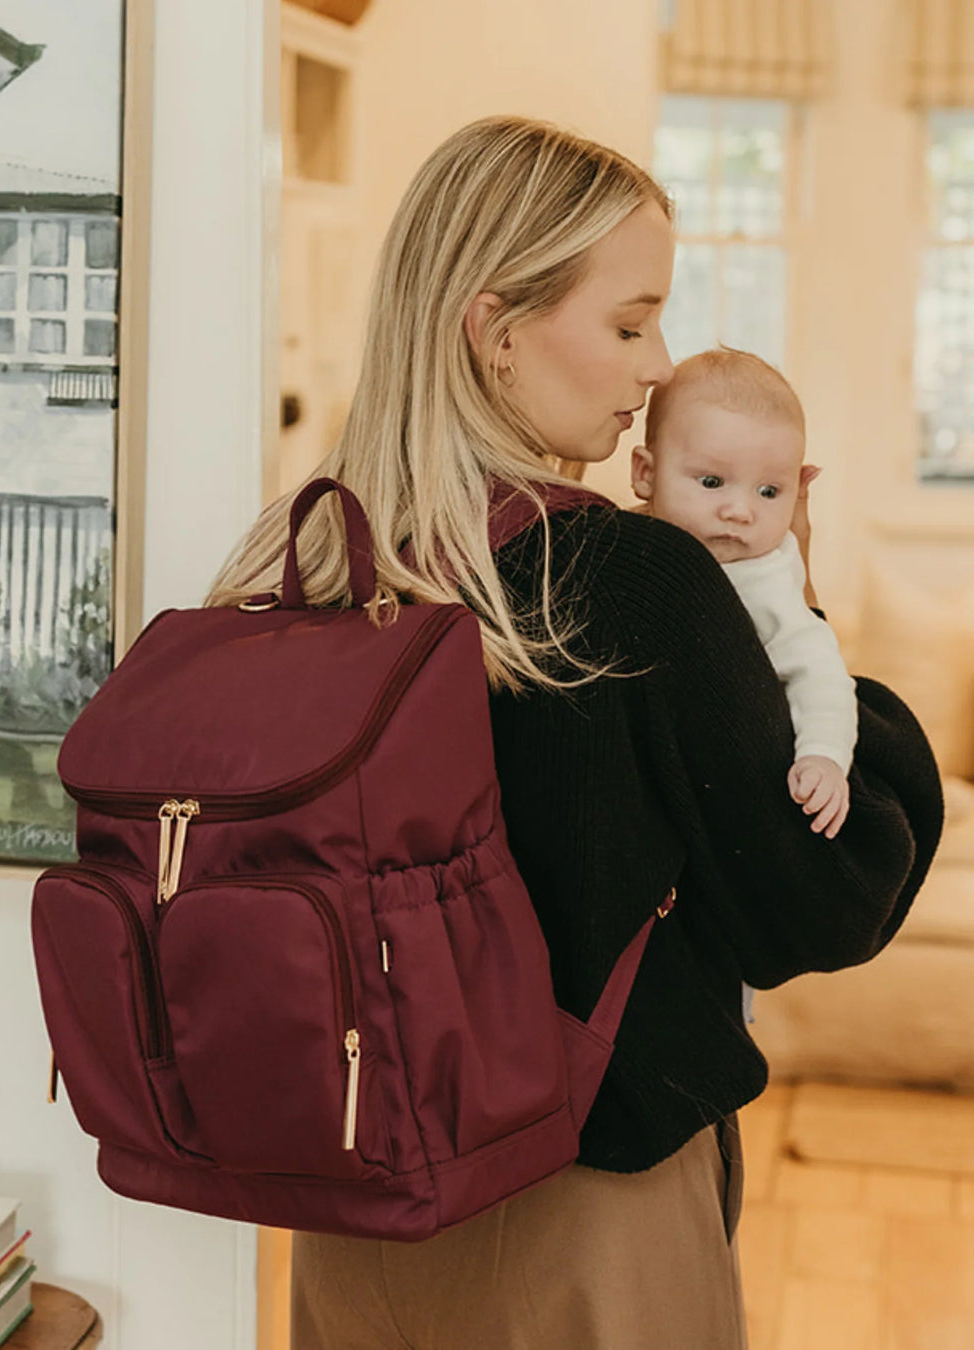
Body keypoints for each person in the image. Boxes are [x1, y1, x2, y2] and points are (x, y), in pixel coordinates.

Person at [206, 116, 943, 1349]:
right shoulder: (629, 578)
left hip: (354, 1215)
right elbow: (818, 900)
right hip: (590, 1214)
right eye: (628, 321)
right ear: (497, 334)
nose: (659, 364)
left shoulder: (310, 551)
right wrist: (804, 624)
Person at [630, 347, 861, 1032]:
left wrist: (824, 757)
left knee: (714, 971)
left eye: (769, 492)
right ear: (645, 474)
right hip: (655, 828)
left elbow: (819, 670)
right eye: (710, 482)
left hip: (737, 813)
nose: (739, 512)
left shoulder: (766, 578)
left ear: (799, 491)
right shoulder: (631, 547)